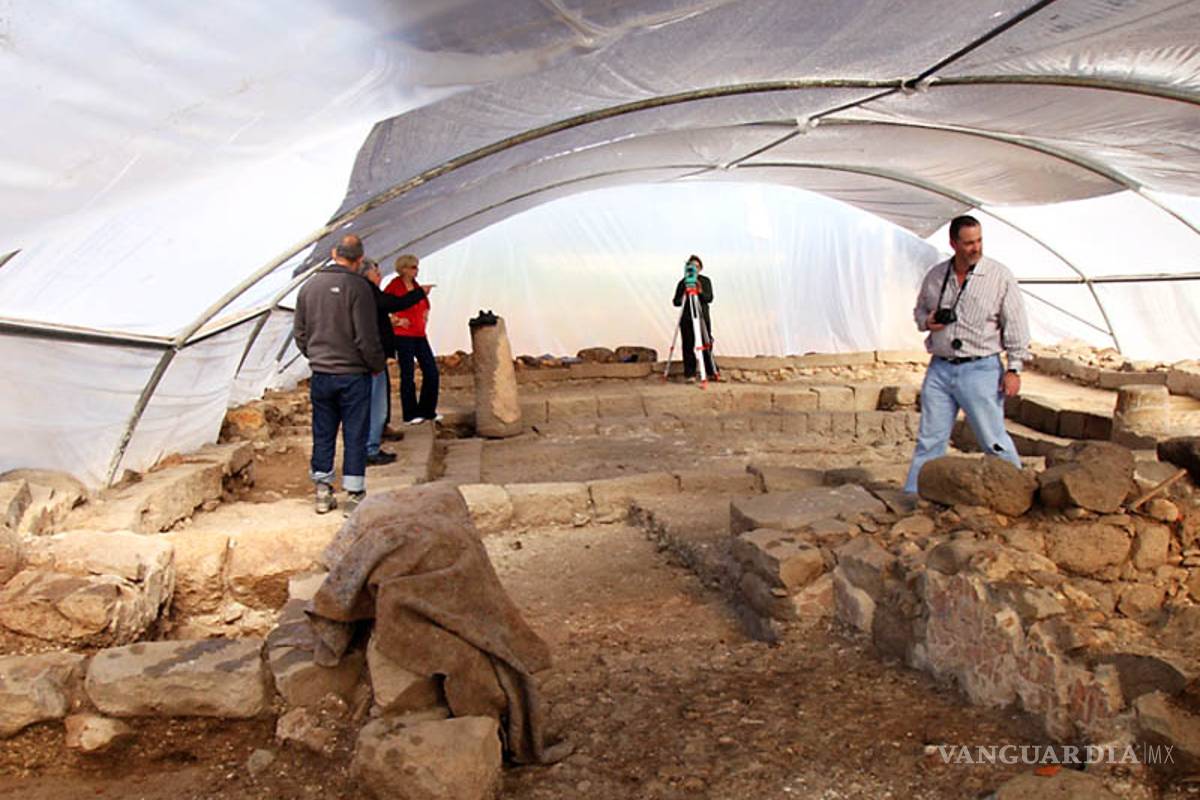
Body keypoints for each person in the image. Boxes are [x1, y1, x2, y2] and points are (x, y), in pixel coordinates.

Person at [903, 215, 1031, 495]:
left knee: (992, 438)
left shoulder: (999, 276)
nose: (976, 248)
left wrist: (1014, 368)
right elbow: (920, 311)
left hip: (981, 369)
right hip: (940, 368)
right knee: (930, 439)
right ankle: (916, 494)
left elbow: (1016, 325)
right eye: (969, 243)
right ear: (953, 243)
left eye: (979, 241)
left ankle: (1017, 492)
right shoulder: (936, 276)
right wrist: (928, 321)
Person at [293, 234, 387, 515]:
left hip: (322, 373)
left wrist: (317, 356)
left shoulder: (309, 287)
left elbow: (300, 333)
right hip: (353, 374)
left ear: (334, 253)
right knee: (355, 431)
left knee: (323, 431)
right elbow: (366, 337)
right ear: (360, 259)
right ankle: (354, 494)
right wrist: (376, 365)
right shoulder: (359, 288)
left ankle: (323, 491)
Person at [385, 254, 441, 424]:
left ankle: (427, 410)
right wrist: (396, 321)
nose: (416, 270)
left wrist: (425, 314)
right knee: (408, 374)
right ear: (403, 269)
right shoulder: (395, 286)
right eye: (413, 267)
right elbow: (384, 307)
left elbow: (424, 305)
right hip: (403, 336)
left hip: (419, 334)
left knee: (431, 371)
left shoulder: (416, 286)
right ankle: (410, 413)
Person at [671, 254, 716, 381]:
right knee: (688, 345)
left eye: (696, 266)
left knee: (706, 344)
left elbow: (709, 298)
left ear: (700, 268)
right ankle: (690, 374)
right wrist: (684, 293)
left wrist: (700, 291)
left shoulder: (705, 281)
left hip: (702, 317)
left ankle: (711, 371)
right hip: (687, 318)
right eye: (691, 266)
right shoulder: (683, 283)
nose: (693, 269)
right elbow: (676, 302)